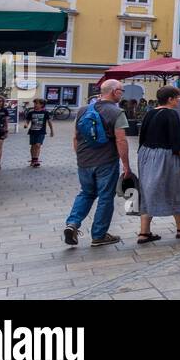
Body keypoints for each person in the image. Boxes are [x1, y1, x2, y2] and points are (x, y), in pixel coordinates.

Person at [63, 79, 132, 247]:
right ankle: (99, 235)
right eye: (121, 91)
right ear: (115, 91)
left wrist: (80, 156)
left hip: (84, 161)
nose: (122, 94)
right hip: (106, 161)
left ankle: (72, 223)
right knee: (105, 197)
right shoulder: (117, 113)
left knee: (86, 193)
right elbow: (121, 140)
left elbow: (75, 137)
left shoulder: (83, 110)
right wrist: (126, 165)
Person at [134, 86, 180, 243]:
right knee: (178, 189)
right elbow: (177, 140)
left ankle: (144, 233)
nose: (179, 100)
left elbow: (142, 136)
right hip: (166, 156)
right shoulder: (171, 114)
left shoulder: (150, 113)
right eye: (177, 97)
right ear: (170, 99)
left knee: (147, 191)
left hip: (147, 155)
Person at [25, 98, 53, 168]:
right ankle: (33, 159)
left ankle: (36, 160)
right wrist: (26, 124)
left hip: (41, 132)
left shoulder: (45, 113)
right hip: (32, 131)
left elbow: (49, 122)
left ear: (42, 105)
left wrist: (52, 130)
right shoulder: (31, 112)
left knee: (38, 145)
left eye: (37, 103)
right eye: (34, 103)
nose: (35, 105)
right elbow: (27, 121)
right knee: (33, 145)